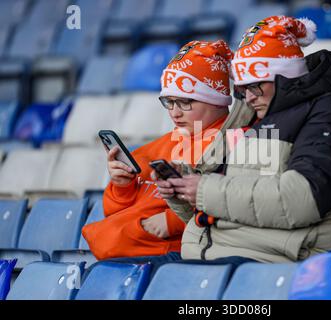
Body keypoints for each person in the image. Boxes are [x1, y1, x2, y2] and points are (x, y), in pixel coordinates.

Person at [158, 16, 331, 263]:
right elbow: (217, 212)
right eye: (242, 89)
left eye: (256, 85)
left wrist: (204, 189)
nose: (249, 97)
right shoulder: (253, 117)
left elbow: (300, 201)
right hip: (213, 258)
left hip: (270, 265)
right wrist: (182, 191)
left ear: (285, 76)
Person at [82, 40, 242, 260]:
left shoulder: (237, 143)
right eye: (169, 102)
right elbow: (114, 212)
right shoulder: (159, 146)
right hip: (128, 254)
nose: (175, 113)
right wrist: (122, 187)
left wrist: (172, 221)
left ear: (215, 100)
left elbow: (237, 204)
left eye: (185, 102)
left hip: (177, 254)